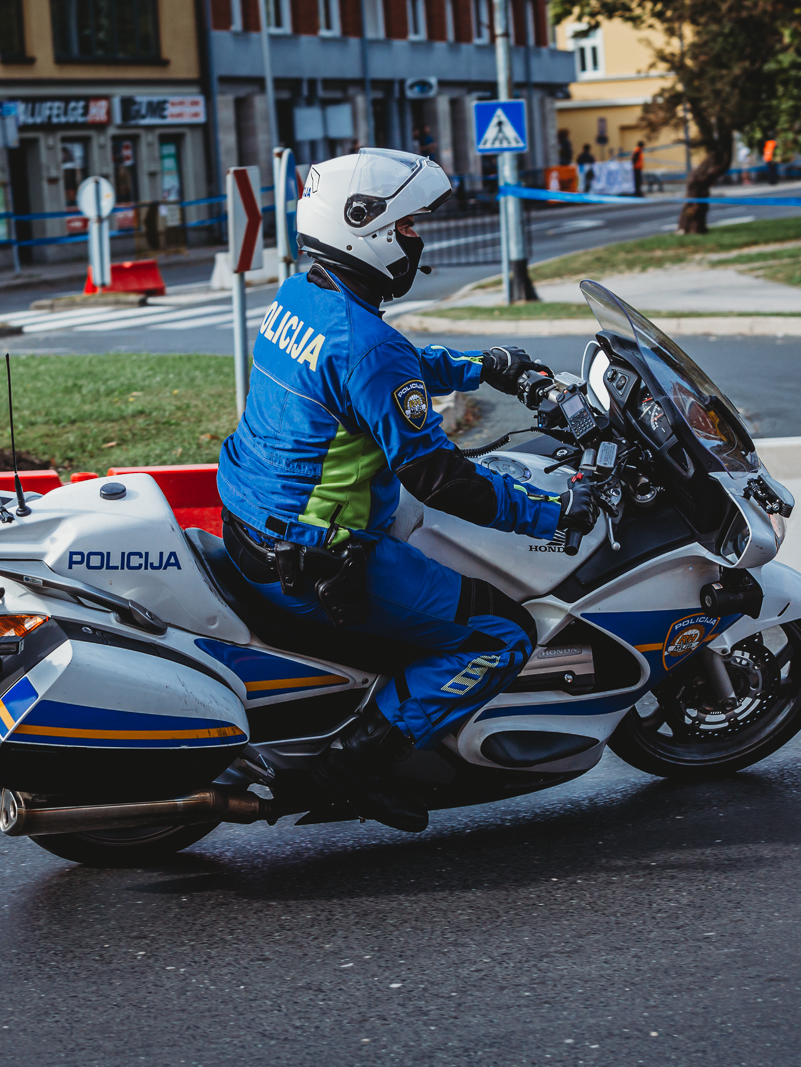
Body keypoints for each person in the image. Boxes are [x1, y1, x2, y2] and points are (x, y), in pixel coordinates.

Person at [217, 148, 598, 833]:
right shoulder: (364, 344)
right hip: (314, 556)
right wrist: (554, 510)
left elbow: (396, 371)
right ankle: (356, 763)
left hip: (253, 523)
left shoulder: (305, 296)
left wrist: (488, 368)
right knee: (501, 631)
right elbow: (444, 479)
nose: (419, 242)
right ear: (368, 226)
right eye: (412, 226)